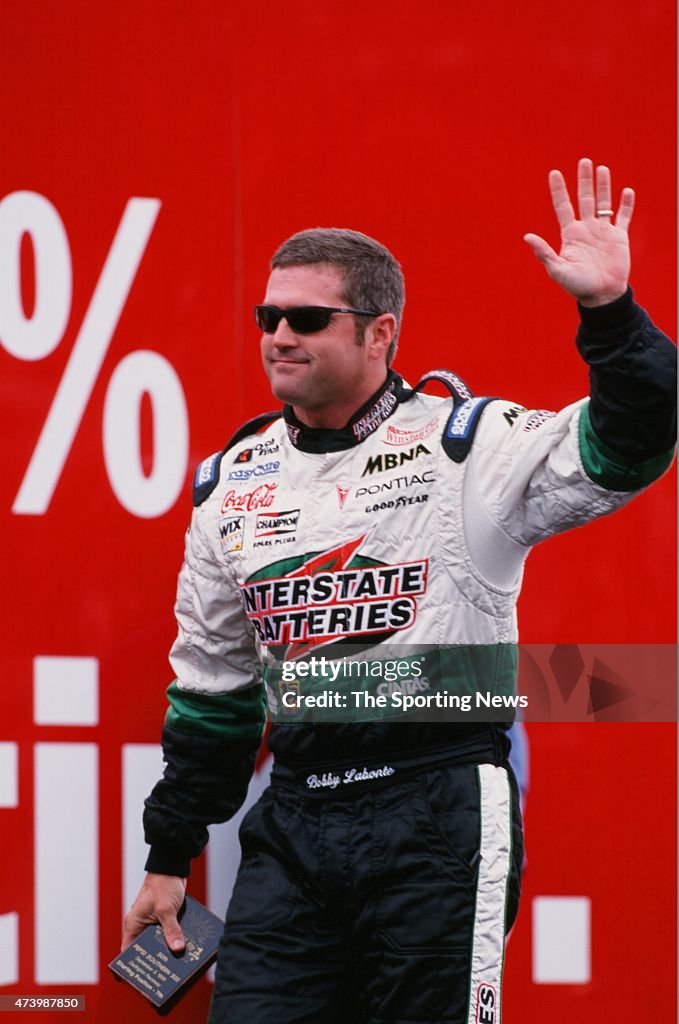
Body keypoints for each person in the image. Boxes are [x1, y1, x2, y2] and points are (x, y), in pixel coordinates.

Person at [122, 159, 676, 1024]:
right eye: (267, 317)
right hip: (296, 818)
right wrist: (169, 856)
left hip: (438, 805)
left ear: (381, 333)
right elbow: (213, 696)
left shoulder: (467, 445)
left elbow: (631, 443)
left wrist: (608, 313)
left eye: (306, 318)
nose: (278, 336)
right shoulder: (229, 484)